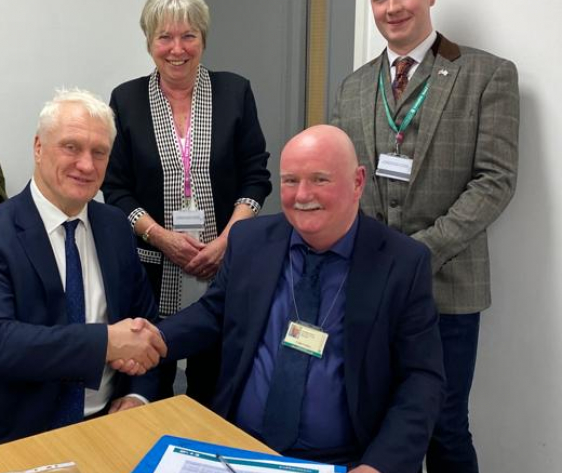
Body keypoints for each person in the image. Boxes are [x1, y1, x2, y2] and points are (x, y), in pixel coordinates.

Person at [152, 125, 445, 472]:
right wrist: (153, 338)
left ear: (357, 182)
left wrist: (378, 466)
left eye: (320, 179)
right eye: (290, 181)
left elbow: (421, 380)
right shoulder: (250, 240)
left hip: (344, 461)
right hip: (237, 449)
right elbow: (213, 314)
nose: (302, 195)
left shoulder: (402, 262)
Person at [329, 0, 519, 472]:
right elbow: (343, 183)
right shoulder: (353, 86)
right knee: (375, 419)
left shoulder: (487, 75)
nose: (393, 6)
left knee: (444, 426)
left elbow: (495, 181)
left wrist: (417, 253)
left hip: (448, 289)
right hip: (366, 285)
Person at [0, 89, 166, 457]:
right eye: (71, 147)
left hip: (109, 425)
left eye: (99, 153)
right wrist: (105, 342)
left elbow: (145, 328)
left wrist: (136, 396)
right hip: (15, 434)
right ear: (38, 147)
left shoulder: (115, 228)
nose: (86, 165)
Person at [102, 0, 271, 405]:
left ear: (203, 39)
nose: (177, 48)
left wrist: (227, 240)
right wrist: (160, 236)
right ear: (149, 42)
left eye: (188, 36)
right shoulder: (126, 100)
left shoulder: (235, 92)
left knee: (215, 385)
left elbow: (256, 176)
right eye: (165, 37)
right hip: (150, 268)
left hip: (224, 265)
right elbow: (115, 188)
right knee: (148, 381)